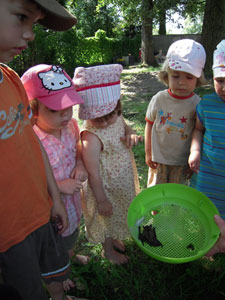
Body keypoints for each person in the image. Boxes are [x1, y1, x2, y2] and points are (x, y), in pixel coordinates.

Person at [0, 1, 85, 300]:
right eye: (22, 17)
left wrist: (52, 197)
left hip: (39, 213)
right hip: (8, 234)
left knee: (51, 276)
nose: (31, 34)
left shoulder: (10, 79)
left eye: (33, 23)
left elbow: (30, 143)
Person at [21, 64, 89, 292]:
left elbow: (79, 146)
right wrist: (59, 186)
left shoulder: (71, 125)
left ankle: (70, 255)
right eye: (55, 109)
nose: (65, 114)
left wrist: (80, 163)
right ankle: (60, 273)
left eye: (69, 106)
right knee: (55, 248)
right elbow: (27, 183)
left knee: (72, 236)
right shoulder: (30, 140)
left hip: (73, 204)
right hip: (51, 214)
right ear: (33, 109)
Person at [73, 64, 142, 265]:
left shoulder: (116, 115)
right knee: (105, 216)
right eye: (98, 118)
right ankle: (108, 250)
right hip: (104, 188)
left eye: (110, 114)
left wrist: (130, 133)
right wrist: (102, 199)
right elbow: (93, 173)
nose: (106, 123)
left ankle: (115, 236)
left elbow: (125, 125)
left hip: (122, 179)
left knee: (118, 211)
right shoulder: (91, 136)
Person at [145, 39, 207, 187]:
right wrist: (148, 152)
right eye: (175, 76)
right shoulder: (159, 99)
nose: (181, 82)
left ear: (198, 79)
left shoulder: (197, 103)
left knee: (177, 195)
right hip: (158, 159)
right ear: (166, 75)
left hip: (182, 161)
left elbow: (199, 132)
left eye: (189, 77)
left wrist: (194, 157)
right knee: (156, 194)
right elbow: (149, 124)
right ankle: (156, 212)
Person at [189, 40, 225, 219]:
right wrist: (195, 151)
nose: (224, 88)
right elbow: (198, 130)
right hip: (209, 170)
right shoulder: (207, 104)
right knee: (206, 210)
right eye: (220, 81)